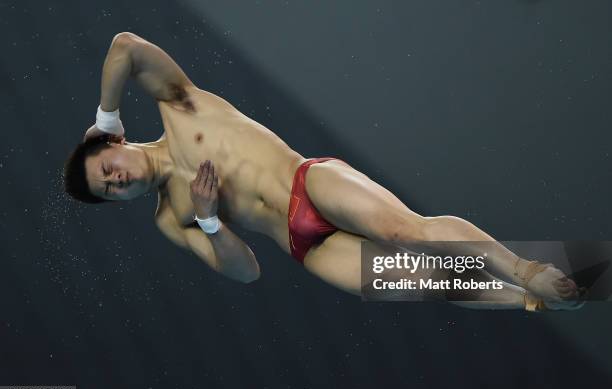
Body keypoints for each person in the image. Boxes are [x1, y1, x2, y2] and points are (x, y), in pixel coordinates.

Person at [64, 32, 582, 311]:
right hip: (304, 246)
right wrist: (208, 219)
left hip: (306, 183)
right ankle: (532, 303)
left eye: (108, 167)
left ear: (117, 143)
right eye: (109, 190)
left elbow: (125, 47)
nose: (117, 180)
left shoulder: (180, 107)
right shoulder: (171, 217)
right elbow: (246, 272)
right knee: (420, 280)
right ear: (119, 203)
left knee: (405, 233)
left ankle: (524, 269)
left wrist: (103, 117)